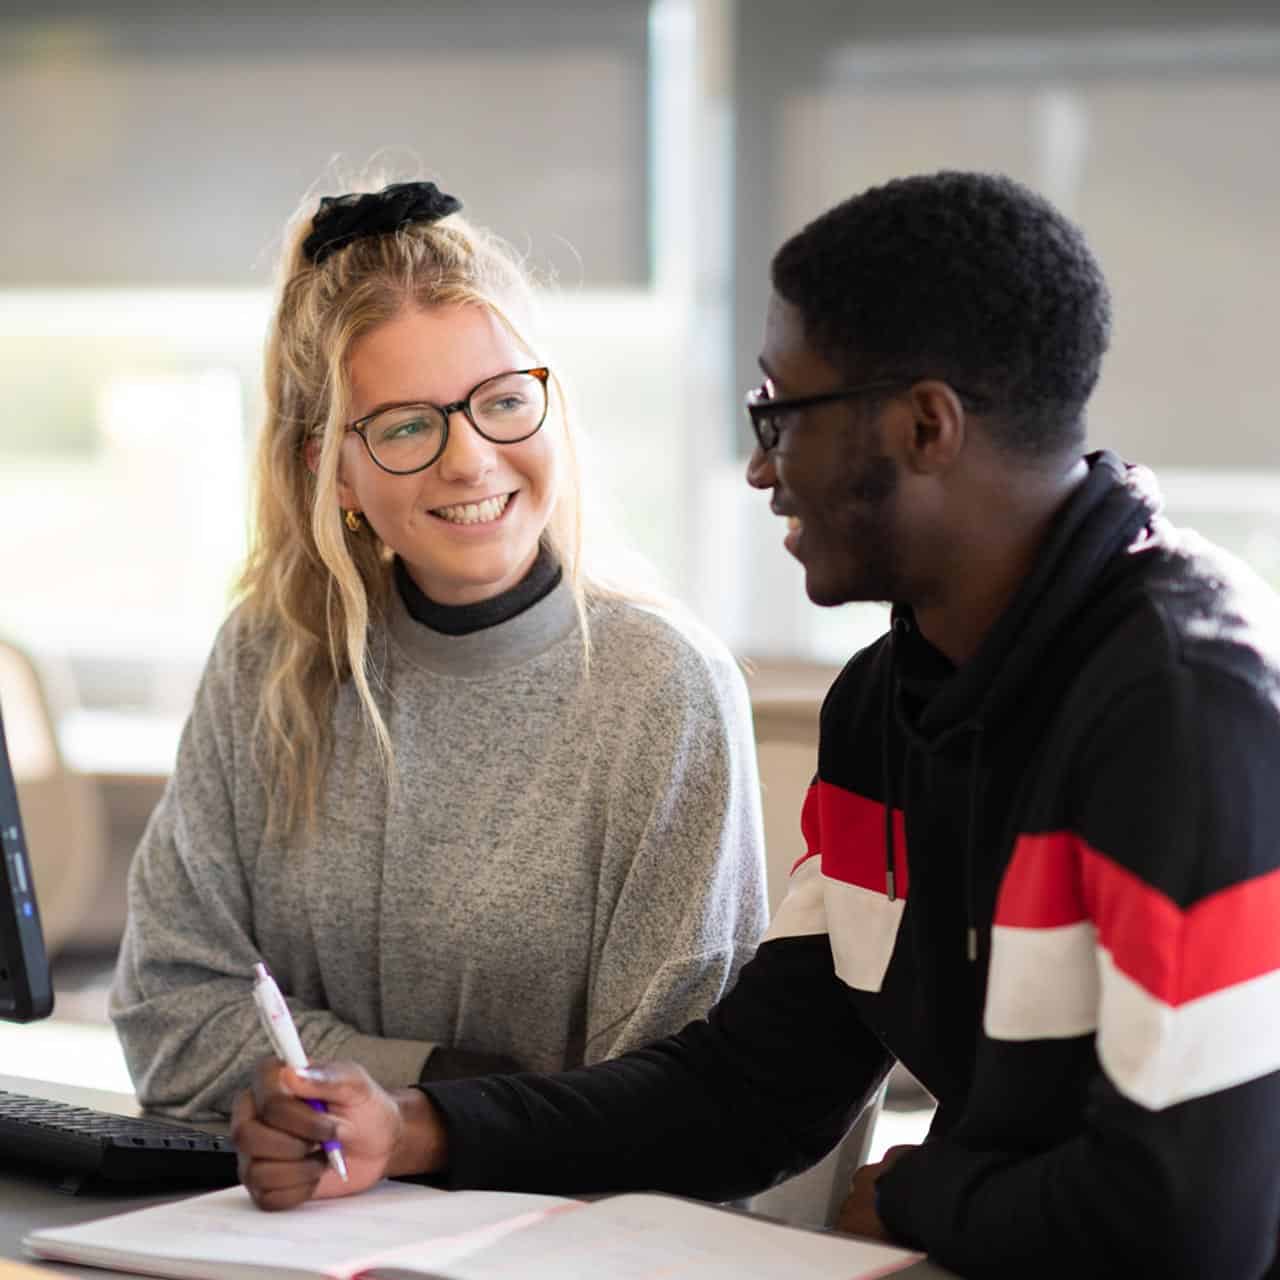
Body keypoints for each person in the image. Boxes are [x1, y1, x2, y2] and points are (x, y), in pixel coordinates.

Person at [231, 171, 1280, 1278]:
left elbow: (1189, 1223)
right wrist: (417, 1127)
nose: (757, 466)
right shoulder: (885, 707)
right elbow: (748, 1091)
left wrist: (927, 1189)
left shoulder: (1185, 707)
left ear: (924, 425)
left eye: (781, 413)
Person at [109, 178, 768, 1119]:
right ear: (331, 467)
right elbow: (169, 1021)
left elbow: (674, 1109)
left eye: (502, 401)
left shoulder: (662, 689)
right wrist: (439, 1079)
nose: (468, 458)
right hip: (286, 1229)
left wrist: (414, 1123)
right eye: (408, 425)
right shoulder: (269, 659)